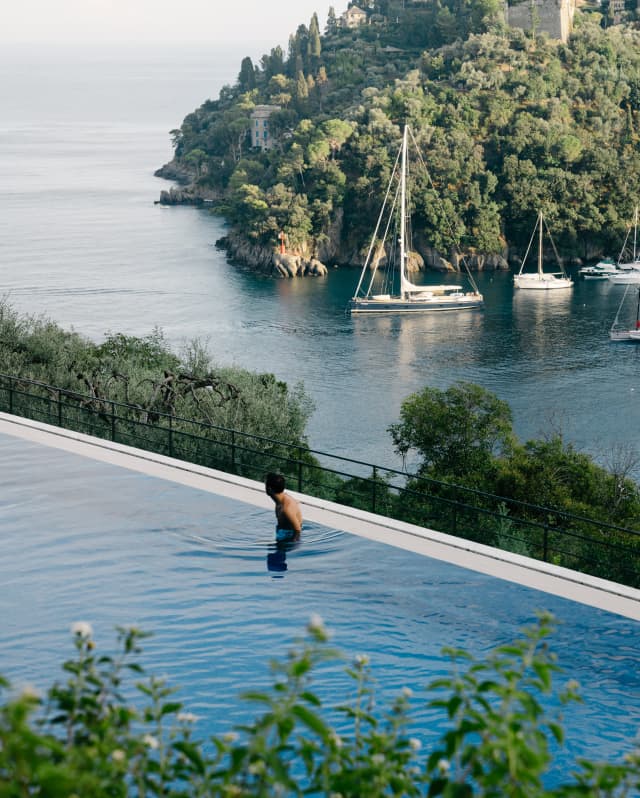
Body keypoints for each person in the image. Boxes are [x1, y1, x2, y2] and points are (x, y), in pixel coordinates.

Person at [265, 472, 302, 543]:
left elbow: (298, 531)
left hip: (288, 537)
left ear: (269, 489)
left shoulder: (287, 509)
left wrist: (288, 546)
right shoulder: (281, 499)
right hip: (282, 532)